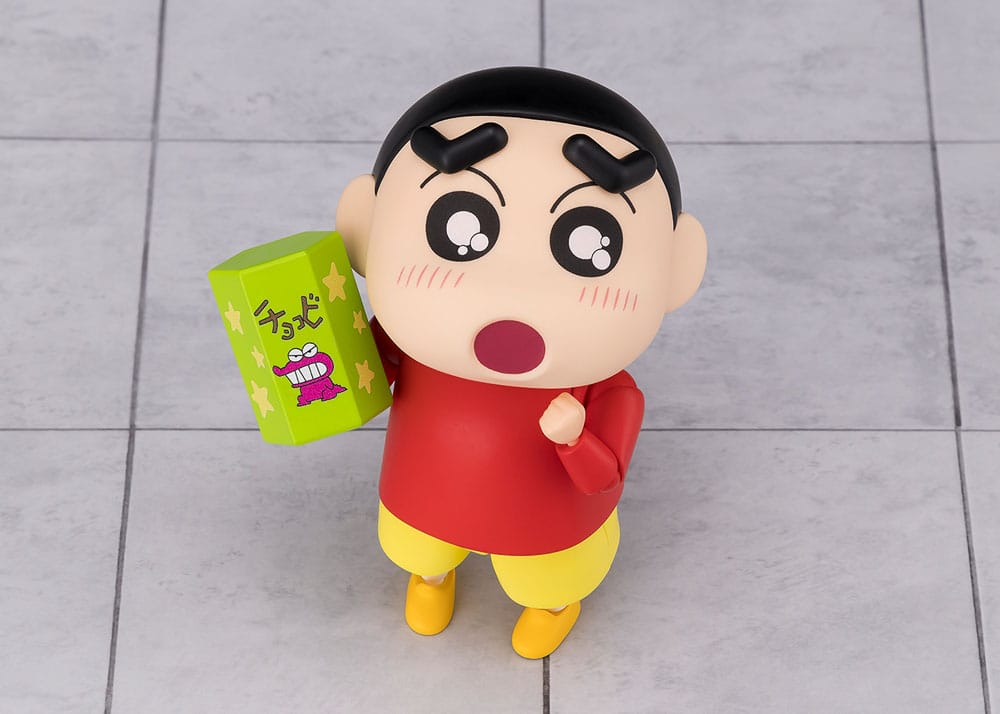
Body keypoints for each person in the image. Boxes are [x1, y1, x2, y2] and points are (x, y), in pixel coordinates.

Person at [334, 66, 707, 659]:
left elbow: (603, 477)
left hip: (547, 524)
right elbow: (353, 381)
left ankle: (554, 606)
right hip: (425, 492)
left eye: (588, 245)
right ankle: (431, 577)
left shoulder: (610, 394)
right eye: (459, 226)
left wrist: (574, 440)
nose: (516, 290)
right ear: (364, 228)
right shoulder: (408, 343)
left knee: (545, 577)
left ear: (677, 267)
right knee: (417, 545)